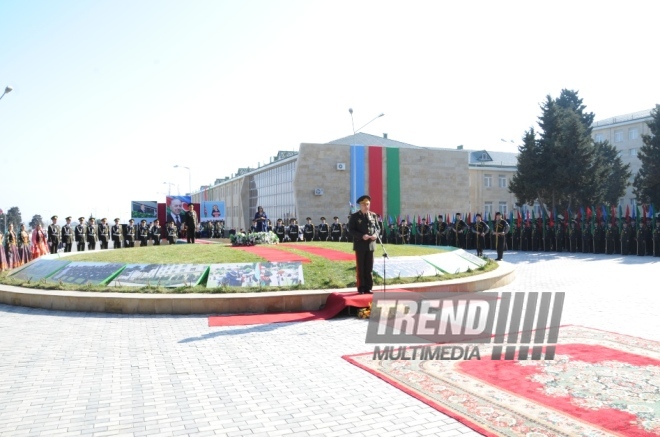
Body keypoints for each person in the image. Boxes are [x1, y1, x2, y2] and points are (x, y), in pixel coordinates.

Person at [348, 195, 379, 294]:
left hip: (371, 245)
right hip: (360, 245)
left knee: (369, 268)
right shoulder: (355, 216)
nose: (366, 206)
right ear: (360, 205)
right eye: (364, 204)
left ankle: (368, 287)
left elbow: (378, 228)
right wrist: (361, 236)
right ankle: (361, 288)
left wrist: (375, 235)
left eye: (368, 204)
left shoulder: (373, 215)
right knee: (361, 268)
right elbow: (351, 230)